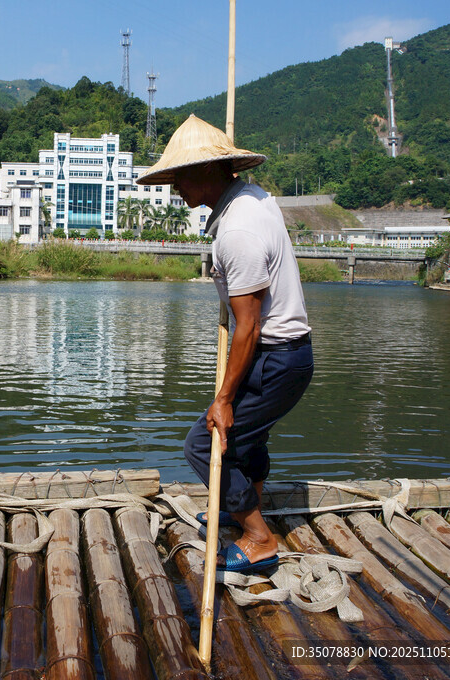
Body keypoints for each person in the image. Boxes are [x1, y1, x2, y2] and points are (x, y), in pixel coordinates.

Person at [137, 115, 314, 573]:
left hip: (276, 356)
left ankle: (258, 537)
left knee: (204, 442)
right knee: (243, 440)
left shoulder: (238, 231)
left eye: (179, 177)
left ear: (207, 172)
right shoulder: (252, 199)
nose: (175, 187)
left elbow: (249, 327)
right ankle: (242, 510)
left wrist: (224, 398)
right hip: (284, 355)